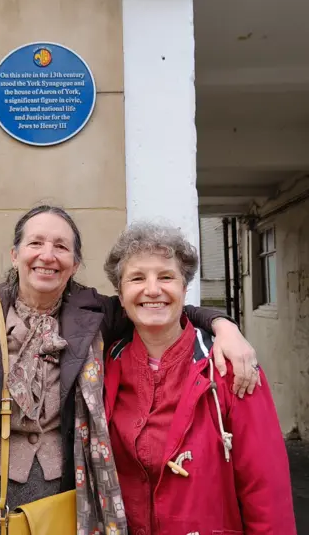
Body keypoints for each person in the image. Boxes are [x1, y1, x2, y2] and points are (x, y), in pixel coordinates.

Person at [0, 206, 259, 535]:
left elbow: (159, 305)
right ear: (15, 254)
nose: (48, 255)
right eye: (36, 243)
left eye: (61, 246)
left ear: (75, 263)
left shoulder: (95, 316)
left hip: (71, 506)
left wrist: (224, 325)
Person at [103, 222, 296, 535]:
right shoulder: (103, 366)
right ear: (121, 295)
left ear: (184, 288)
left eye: (166, 276)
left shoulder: (231, 367)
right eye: (137, 278)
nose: (152, 289)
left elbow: (266, 488)